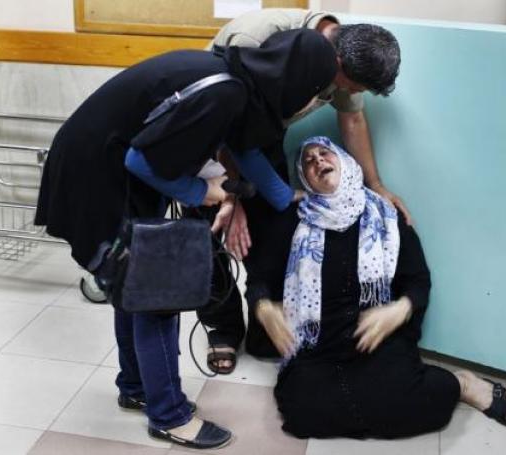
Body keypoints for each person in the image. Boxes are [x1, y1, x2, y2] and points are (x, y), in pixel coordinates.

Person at [34, 29, 337, 450]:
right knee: (156, 294)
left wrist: (287, 198)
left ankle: (137, 386)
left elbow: (245, 148)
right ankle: (170, 416)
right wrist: (202, 193)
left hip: (106, 169)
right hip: (96, 176)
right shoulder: (224, 92)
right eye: (319, 96)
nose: (314, 106)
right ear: (299, 84)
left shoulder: (242, 84)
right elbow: (140, 160)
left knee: (132, 287)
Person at [244, 136, 506, 438]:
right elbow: (258, 278)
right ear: (306, 180)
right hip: (317, 345)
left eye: (325, 153)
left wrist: (398, 311)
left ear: (346, 163)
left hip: (374, 339)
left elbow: (418, 281)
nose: (318, 161)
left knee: (404, 404)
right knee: (300, 416)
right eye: (308, 162)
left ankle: (463, 384)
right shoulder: (293, 221)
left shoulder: (386, 217)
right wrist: (264, 308)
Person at [198, 8, 407, 375]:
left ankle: (267, 327)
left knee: (274, 229)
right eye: (352, 87)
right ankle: (223, 327)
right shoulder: (254, 37)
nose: (351, 94)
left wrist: (376, 186)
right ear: (337, 61)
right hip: (210, 132)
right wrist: (234, 194)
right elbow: (227, 124)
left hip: (262, 135)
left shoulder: (346, 55)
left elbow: (353, 118)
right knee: (211, 231)